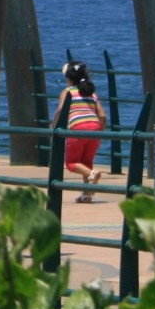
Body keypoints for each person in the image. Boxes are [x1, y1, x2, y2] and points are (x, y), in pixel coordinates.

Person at [55, 60, 106, 203]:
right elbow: (102, 116)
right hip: (95, 129)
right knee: (86, 161)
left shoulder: (68, 92)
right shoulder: (92, 94)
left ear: (69, 79)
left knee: (71, 163)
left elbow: (60, 110)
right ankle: (87, 194)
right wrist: (99, 133)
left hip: (78, 128)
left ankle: (92, 174)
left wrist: (53, 126)